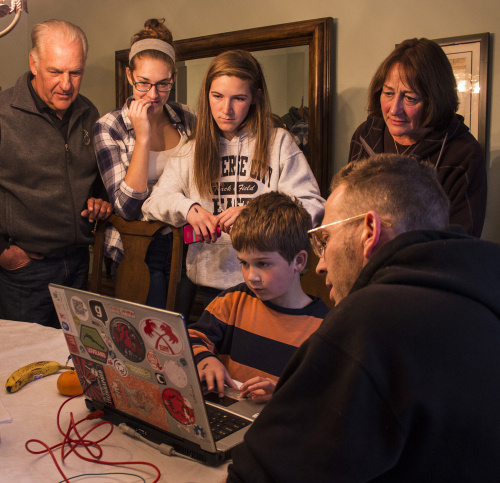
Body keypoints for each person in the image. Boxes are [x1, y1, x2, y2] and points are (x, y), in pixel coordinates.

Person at [227, 154, 500, 482]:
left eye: (324, 240)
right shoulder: (481, 298)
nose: (321, 264)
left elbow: (262, 475)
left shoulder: (370, 321)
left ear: (369, 231)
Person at [142, 50, 325, 311]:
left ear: (255, 98)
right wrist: (188, 209)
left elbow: (313, 205)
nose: (226, 109)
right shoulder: (190, 150)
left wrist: (255, 216)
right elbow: (153, 203)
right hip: (211, 285)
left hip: (272, 284)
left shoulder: (279, 143)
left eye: (239, 98)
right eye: (217, 96)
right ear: (207, 95)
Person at [0, 20, 111, 328]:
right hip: (24, 271)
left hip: (78, 266)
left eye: (75, 72)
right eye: (56, 71)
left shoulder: (89, 112)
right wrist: (3, 253)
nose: (66, 84)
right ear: (34, 64)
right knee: (22, 365)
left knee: (74, 360)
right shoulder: (3, 114)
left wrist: (99, 200)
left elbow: (99, 180)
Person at [94, 18, 196, 310]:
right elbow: (127, 209)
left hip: (184, 245)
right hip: (136, 248)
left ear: (174, 77)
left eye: (163, 84)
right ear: (129, 76)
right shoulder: (109, 126)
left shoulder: (186, 118)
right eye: (144, 84)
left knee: (181, 334)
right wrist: (142, 137)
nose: (153, 95)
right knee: (144, 341)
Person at [188, 192, 329, 401]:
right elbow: (189, 339)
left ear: (299, 261)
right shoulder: (232, 300)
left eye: (263, 264)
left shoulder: (325, 327)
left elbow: (324, 395)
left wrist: (282, 392)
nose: (251, 277)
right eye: (244, 263)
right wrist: (206, 360)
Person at [349, 38, 486, 238]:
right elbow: (347, 212)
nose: (395, 109)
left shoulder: (462, 153)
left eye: (410, 98)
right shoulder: (365, 135)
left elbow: (461, 244)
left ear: (434, 100)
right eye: (388, 93)